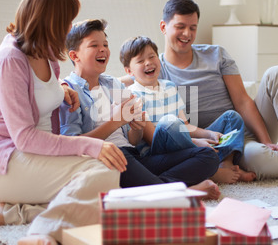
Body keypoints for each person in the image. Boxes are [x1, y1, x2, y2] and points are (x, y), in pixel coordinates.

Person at [122, 0, 278, 183]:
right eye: (180, 27)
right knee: (266, 164)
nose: (187, 34)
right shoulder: (156, 69)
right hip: (218, 142)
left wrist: (266, 139)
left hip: (246, 123)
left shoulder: (216, 54)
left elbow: (243, 101)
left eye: (193, 27)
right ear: (164, 27)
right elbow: (129, 76)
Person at [0, 0, 129, 245]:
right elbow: (24, 137)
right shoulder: (9, 60)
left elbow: (39, 94)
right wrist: (88, 145)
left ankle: (11, 213)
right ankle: (39, 233)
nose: (70, 27)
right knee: (103, 171)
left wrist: (62, 89)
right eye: (67, 20)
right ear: (49, 20)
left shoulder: (47, 55)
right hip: (5, 163)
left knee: (104, 187)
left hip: (34, 158)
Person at [59, 18, 220, 199]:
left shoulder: (113, 84)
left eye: (105, 43)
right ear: (74, 56)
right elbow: (71, 144)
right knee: (129, 161)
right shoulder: (70, 91)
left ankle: (149, 188)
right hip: (109, 158)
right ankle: (186, 193)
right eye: (94, 45)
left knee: (208, 156)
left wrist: (138, 126)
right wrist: (115, 122)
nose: (103, 49)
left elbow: (132, 140)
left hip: (134, 155)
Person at [119, 36, 254, 184]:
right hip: (157, 153)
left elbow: (186, 125)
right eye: (140, 61)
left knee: (231, 117)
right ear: (129, 71)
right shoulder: (132, 95)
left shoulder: (169, 86)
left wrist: (208, 133)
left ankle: (225, 163)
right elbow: (152, 139)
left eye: (152, 57)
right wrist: (196, 142)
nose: (149, 62)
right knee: (168, 124)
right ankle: (212, 171)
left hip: (184, 143)